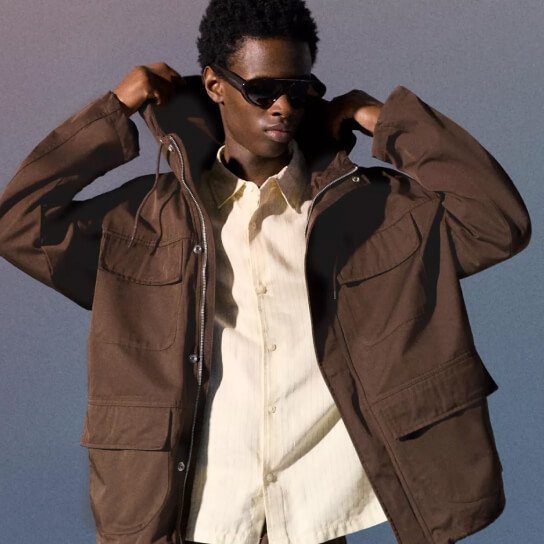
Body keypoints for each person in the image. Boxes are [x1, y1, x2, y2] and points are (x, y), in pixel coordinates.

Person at [0, 0, 531, 543]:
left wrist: (387, 122)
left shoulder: (367, 211)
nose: (283, 107)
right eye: (262, 91)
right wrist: (114, 109)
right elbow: (18, 223)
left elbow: (497, 222)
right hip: (201, 515)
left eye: (298, 91)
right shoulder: (142, 224)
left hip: (316, 514)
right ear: (215, 85)